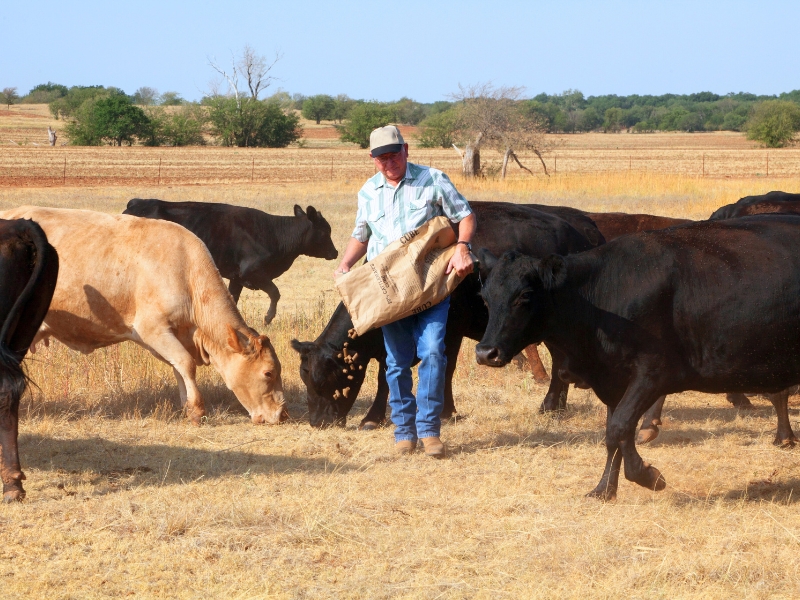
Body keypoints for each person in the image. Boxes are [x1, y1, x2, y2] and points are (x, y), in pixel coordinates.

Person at [334, 125, 476, 458]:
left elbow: (465, 216)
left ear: (406, 150)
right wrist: (344, 266)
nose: (388, 162)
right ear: (372, 160)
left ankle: (429, 431)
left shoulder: (433, 180)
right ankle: (404, 431)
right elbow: (361, 236)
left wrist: (463, 247)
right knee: (396, 362)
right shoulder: (368, 192)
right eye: (380, 157)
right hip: (389, 292)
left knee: (432, 352)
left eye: (393, 155)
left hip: (430, 284)